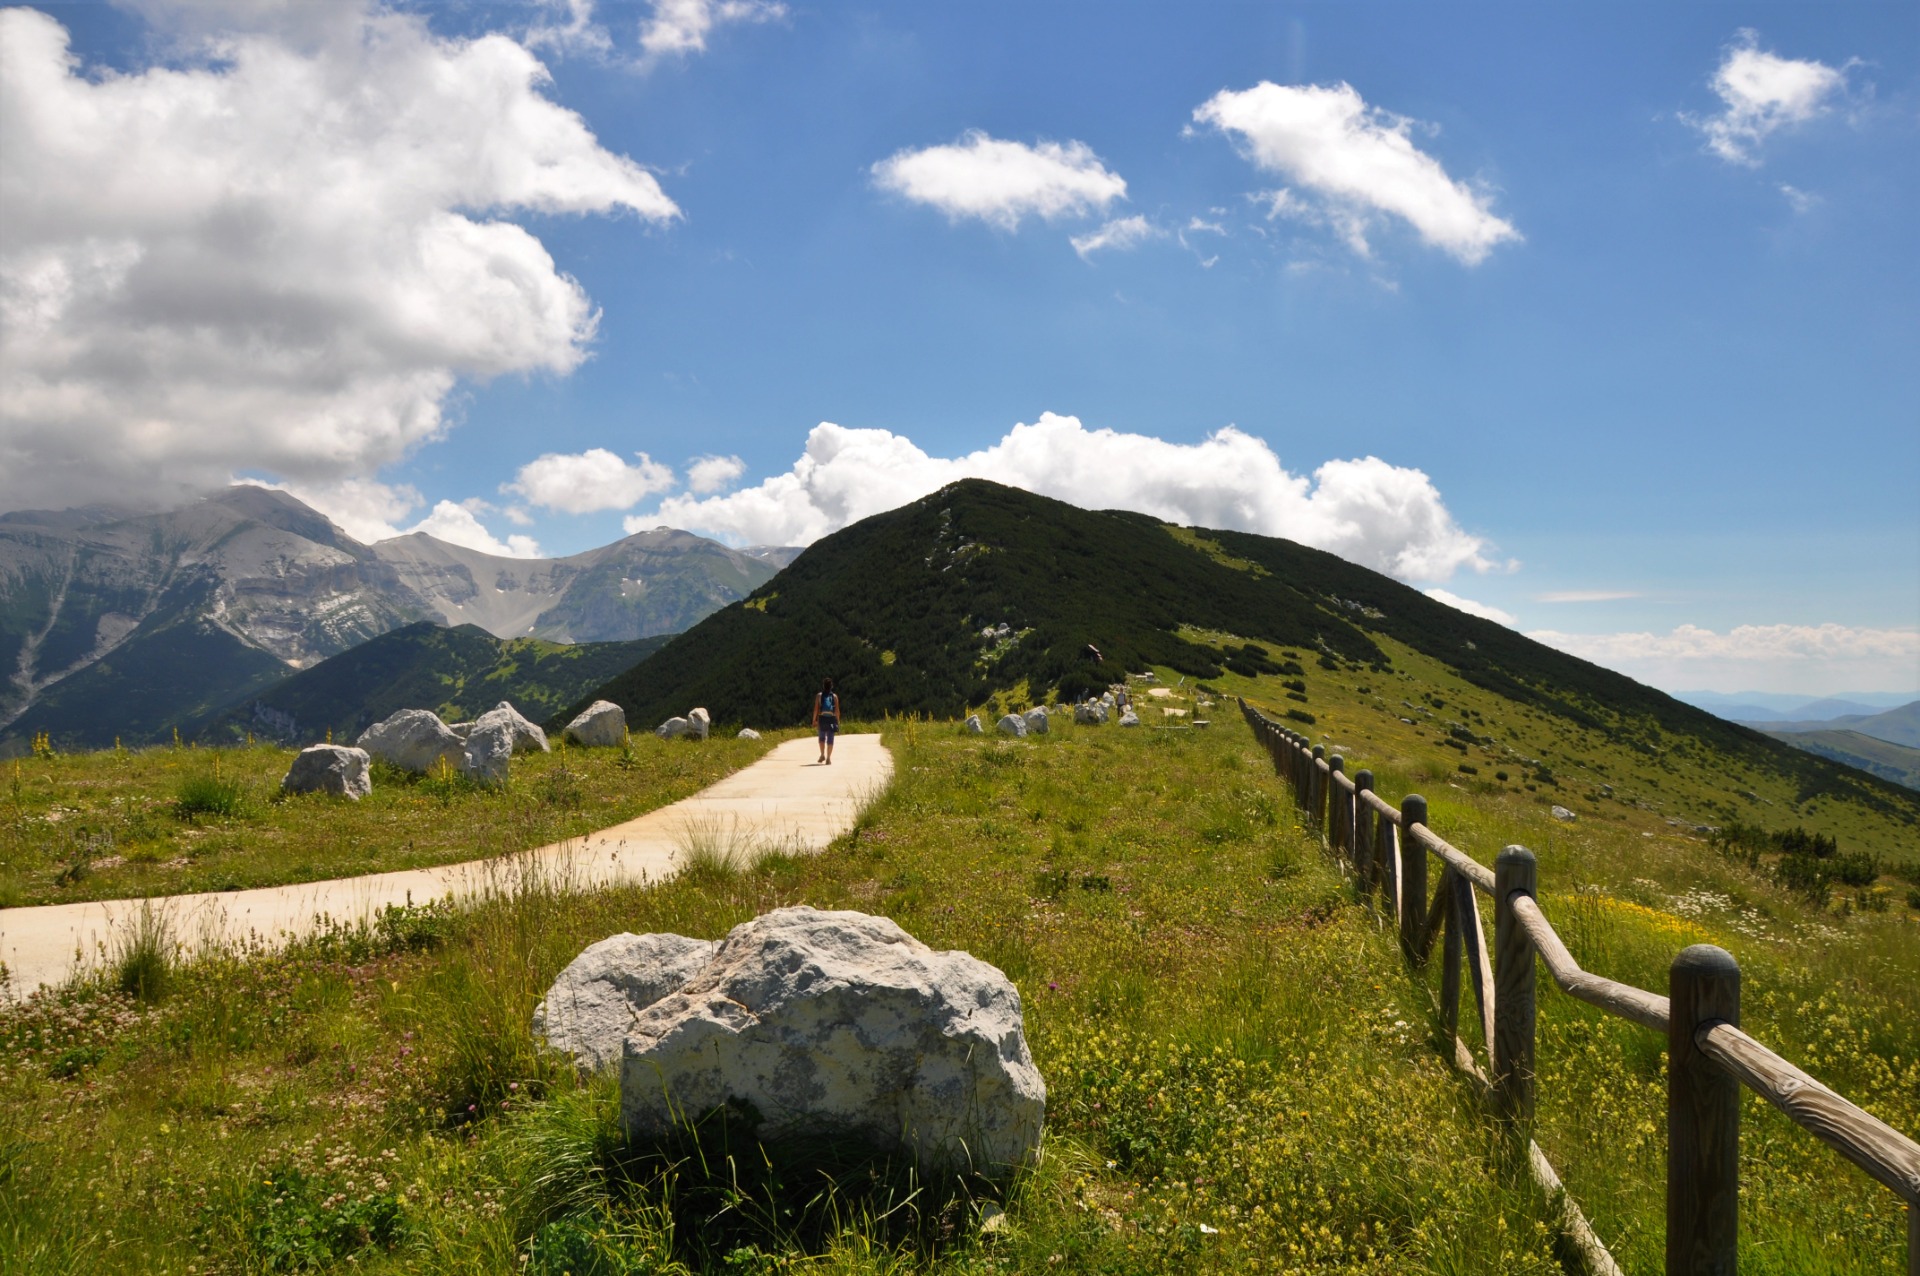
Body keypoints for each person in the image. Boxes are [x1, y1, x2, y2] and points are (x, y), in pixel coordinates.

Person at [812, 677, 842, 764]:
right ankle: (828, 758)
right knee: (830, 739)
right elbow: (837, 711)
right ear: (831, 686)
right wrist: (837, 722)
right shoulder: (835, 696)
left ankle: (822, 755)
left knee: (821, 738)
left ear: (823, 686)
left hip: (822, 718)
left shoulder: (819, 696)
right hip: (832, 719)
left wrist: (814, 720)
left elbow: (816, 709)